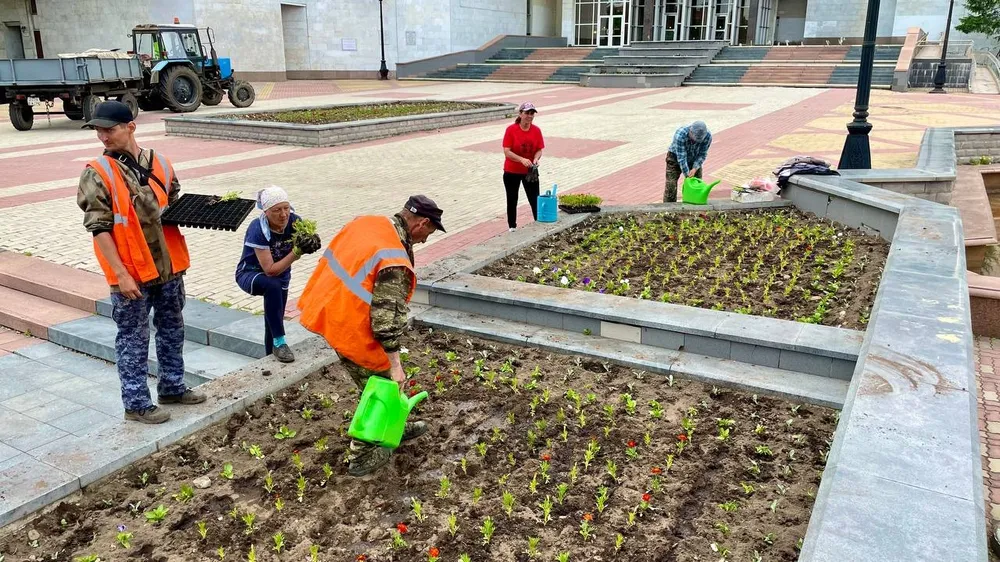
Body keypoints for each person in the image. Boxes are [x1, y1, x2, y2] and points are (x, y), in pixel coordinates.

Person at [76, 101, 205, 424]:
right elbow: (99, 229)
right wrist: (120, 274)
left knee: (172, 329)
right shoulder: (97, 172)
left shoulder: (160, 162)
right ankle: (136, 403)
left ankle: (173, 386)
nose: (103, 136)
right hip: (131, 273)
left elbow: (173, 204)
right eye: (99, 130)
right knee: (133, 339)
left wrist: (209, 210)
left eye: (110, 129)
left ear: (131, 127)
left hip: (169, 267)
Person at [297, 195, 445, 477]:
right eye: (430, 231)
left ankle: (397, 423)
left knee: (379, 381)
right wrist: (395, 365)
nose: (427, 239)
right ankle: (361, 454)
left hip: (330, 308)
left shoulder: (369, 223)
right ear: (421, 223)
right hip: (352, 326)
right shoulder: (394, 261)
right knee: (382, 385)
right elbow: (385, 322)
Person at [234, 186, 321, 363]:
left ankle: (268, 358)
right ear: (266, 212)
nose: (283, 214)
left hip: (281, 275)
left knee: (274, 316)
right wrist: (297, 252)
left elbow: (305, 240)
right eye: (276, 210)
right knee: (271, 285)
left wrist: (312, 242)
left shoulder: (295, 222)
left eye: (286, 208)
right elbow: (270, 270)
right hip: (250, 274)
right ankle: (280, 343)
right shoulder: (257, 228)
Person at [502, 102, 545, 231]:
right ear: (520, 114)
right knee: (512, 199)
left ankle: (538, 222)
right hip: (512, 171)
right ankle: (512, 226)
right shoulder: (511, 130)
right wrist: (521, 159)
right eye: (526, 113)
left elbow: (539, 149)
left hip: (530, 172)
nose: (529, 116)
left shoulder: (536, 130)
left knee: (534, 198)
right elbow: (507, 151)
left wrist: (536, 158)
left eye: (532, 113)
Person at [664, 121, 712, 203]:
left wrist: (695, 168)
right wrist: (687, 174)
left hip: (694, 159)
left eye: (699, 140)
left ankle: (692, 205)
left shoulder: (708, 136)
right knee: (671, 186)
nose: (697, 141)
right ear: (690, 131)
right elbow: (682, 157)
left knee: (696, 184)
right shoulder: (680, 135)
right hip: (675, 157)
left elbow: (702, 154)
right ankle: (669, 209)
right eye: (695, 138)